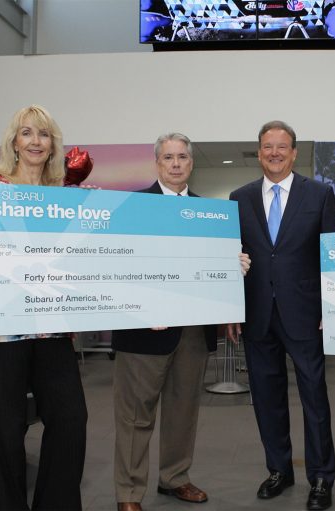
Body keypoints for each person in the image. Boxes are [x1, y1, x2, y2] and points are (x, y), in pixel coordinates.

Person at [0, 105, 87, 510]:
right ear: (14, 141)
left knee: (70, 419)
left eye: (43, 135)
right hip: (0, 328)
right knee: (6, 431)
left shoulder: (65, 195)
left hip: (51, 327)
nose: (35, 142)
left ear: (52, 144)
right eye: (26, 133)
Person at [112, 132, 250, 511]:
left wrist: (233, 267)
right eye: (169, 157)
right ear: (157, 163)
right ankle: (128, 493)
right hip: (142, 331)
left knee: (183, 411)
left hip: (192, 331)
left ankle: (175, 478)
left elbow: (215, 268)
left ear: (191, 163)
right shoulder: (131, 206)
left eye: (182, 157)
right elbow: (116, 265)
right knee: (136, 416)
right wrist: (142, 305)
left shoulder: (211, 213)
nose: (175, 163)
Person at [227, 120, 335, 511]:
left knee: (314, 397)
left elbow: (329, 257)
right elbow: (232, 258)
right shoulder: (238, 198)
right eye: (267, 147)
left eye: (282, 146)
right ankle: (279, 469)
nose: (274, 153)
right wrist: (231, 309)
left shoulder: (319, 194)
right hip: (257, 315)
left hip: (305, 314)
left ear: (294, 152)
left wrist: (330, 306)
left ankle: (322, 477)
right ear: (259, 153)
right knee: (266, 398)